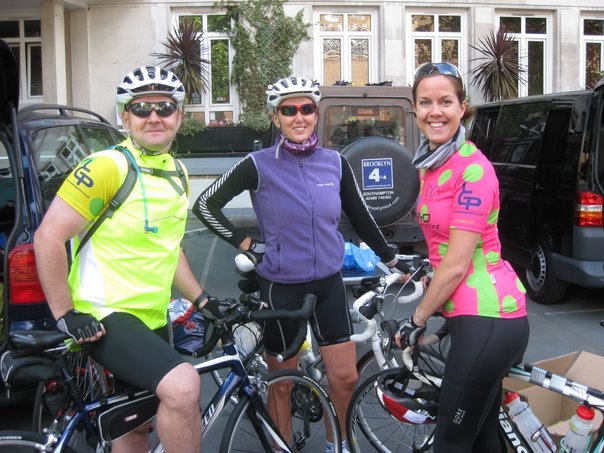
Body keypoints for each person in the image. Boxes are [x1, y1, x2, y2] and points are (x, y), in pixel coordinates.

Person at [193, 76, 410, 453]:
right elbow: (205, 205)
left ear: (316, 113)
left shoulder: (335, 163)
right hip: (281, 287)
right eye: (289, 110)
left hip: (328, 283)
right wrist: (248, 244)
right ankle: (281, 447)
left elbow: (361, 217)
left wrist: (392, 259)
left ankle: (337, 445)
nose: (299, 116)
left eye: (306, 108)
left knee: (343, 378)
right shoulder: (257, 164)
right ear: (275, 117)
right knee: (283, 384)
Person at [34, 66, 225, 453]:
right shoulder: (107, 166)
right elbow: (48, 237)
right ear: (126, 118)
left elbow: (169, 250)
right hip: (105, 317)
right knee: (183, 386)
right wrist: (66, 313)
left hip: (153, 318)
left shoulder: (177, 172)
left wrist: (202, 299)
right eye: (141, 108)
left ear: (179, 117)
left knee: (136, 427)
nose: (154, 116)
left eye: (164, 108)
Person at [395, 62, 530, 452]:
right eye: (425, 102)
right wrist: (429, 278)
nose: (435, 111)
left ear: (462, 108)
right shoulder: (431, 164)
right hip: (472, 318)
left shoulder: (473, 170)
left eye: (445, 102)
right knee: (483, 437)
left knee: (450, 441)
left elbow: (456, 264)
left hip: (489, 317)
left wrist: (417, 319)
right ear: (414, 109)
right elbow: (444, 248)